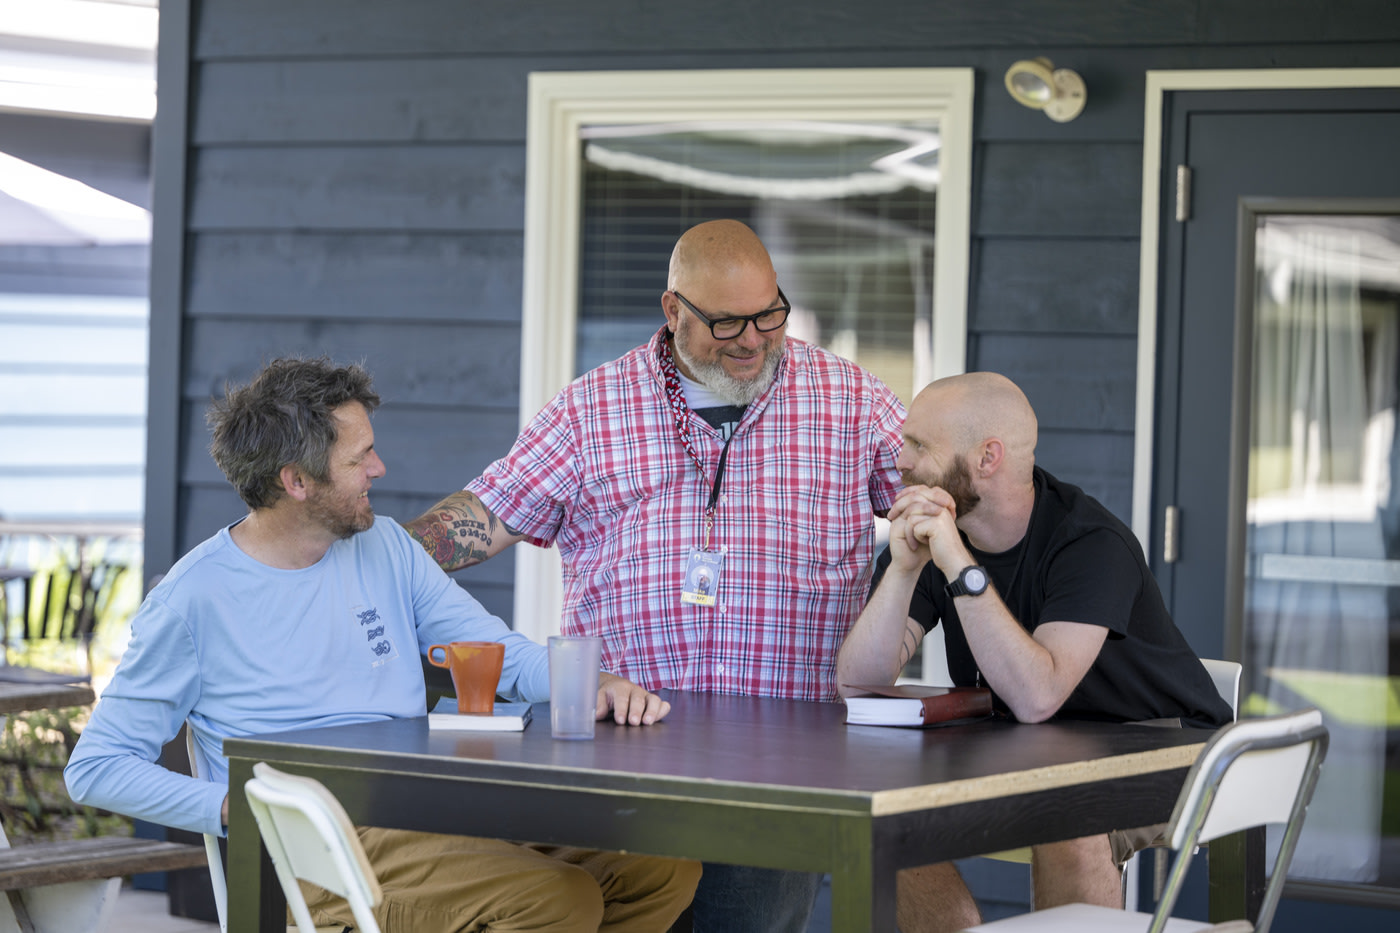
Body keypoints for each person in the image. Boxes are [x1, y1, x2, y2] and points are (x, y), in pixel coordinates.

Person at [65, 358, 700, 933]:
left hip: (427, 809)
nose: (379, 468)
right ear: (296, 481)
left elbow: (494, 650)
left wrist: (585, 682)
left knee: (660, 868)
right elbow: (95, 768)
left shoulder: (388, 547)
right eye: (358, 458)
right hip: (315, 855)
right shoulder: (191, 601)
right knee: (555, 901)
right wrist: (232, 807)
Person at [405, 219, 906, 932]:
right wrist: (376, 559)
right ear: (673, 311)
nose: (754, 339)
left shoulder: (851, 400)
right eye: (727, 322)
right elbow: (484, 516)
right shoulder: (592, 409)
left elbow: (941, 514)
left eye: (769, 314)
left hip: (782, 770)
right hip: (624, 766)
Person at [834, 371, 1232, 933]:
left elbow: (1037, 696)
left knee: (1067, 815)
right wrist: (902, 571)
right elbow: (856, 686)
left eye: (919, 445)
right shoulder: (932, 539)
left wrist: (957, 566)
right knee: (883, 812)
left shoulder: (1090, 543)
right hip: (1033, 750)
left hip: (1165, 746)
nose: (900, 460)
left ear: (987, 457)